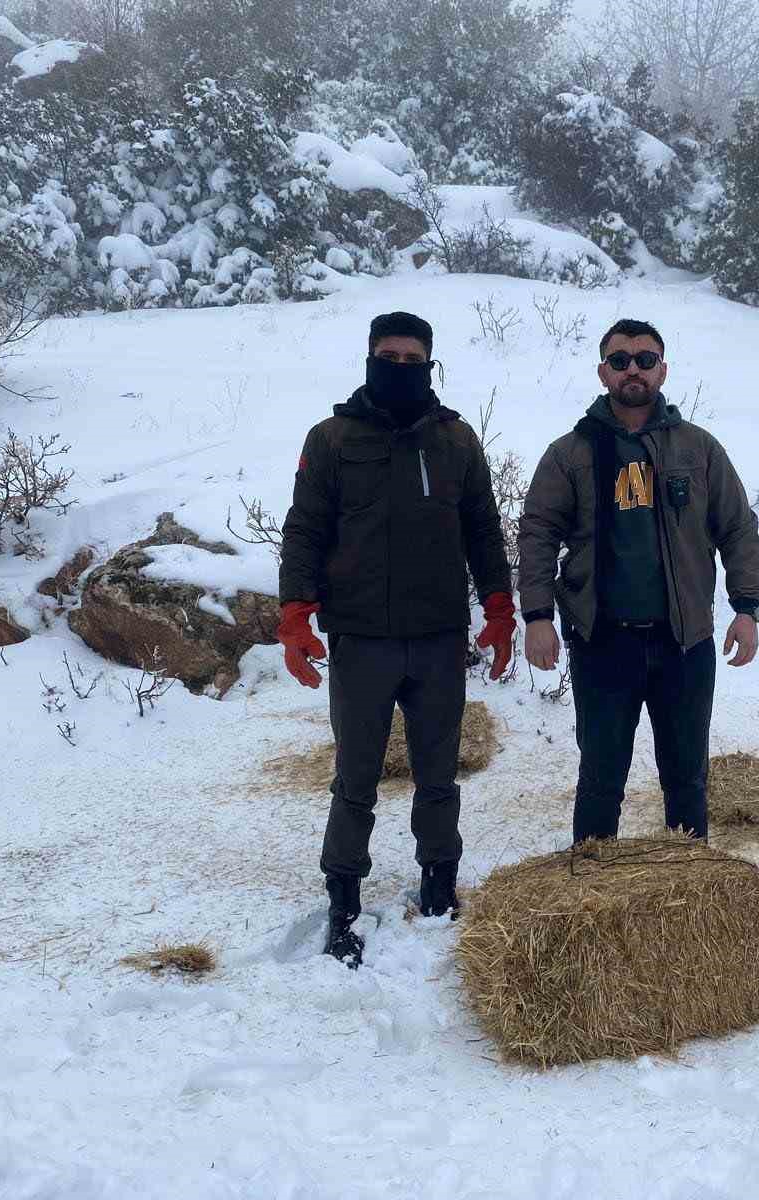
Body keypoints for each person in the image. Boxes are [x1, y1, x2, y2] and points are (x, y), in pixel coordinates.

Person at [277, 311, 515, 967]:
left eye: (413, 359)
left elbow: (484, 531)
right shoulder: (330, 439)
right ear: (369, 358)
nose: (400, 366)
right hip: (361, 638)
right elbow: (305, 532)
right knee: (356, 777)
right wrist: (296, 614)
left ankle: (440, 883)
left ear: (430, 364)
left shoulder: (457, 440)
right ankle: (343, 899)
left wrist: (499, 608)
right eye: (390, 355)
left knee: (438, 776)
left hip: (439, 637)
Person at [518, 318, 759, 843]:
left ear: (663, 370)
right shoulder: (571, 452)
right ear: (603, 372)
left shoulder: (698, 448)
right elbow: (538, 533)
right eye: (621, 359)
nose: (634, 368)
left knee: (686, 780)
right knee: (601, 780)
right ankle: (590, 894)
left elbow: (737, 528)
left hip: (684, 642)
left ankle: (689, 899)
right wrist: (537, 616)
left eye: (645, 359)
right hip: (604, 641)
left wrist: (746, 608)